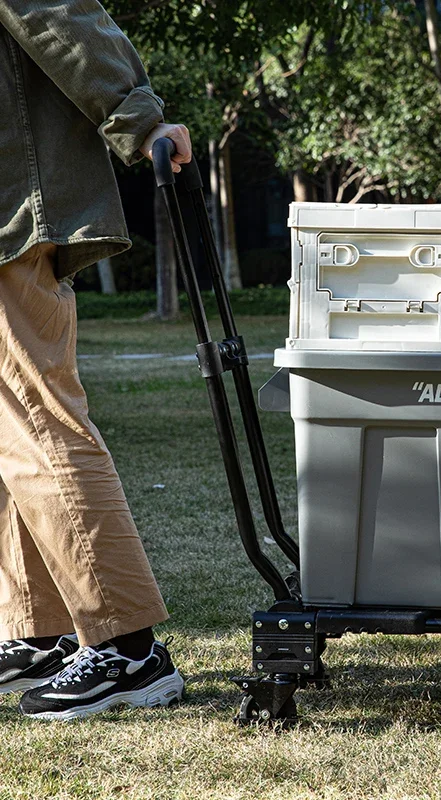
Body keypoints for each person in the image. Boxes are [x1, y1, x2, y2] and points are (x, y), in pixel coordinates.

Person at [0, 1, 191, 720]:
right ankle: (38, 630)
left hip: (11, 205)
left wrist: (139, 119)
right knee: (9, 431)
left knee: (37, 422)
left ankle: (128, 650)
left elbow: (55, 8)